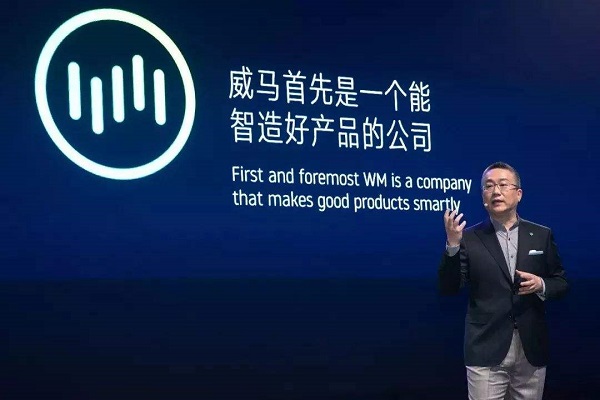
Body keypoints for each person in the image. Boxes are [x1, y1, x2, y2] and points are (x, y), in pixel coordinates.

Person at [438, 161, 568, 400]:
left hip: (531, 348)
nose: (496, 191)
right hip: (486, 348)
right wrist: (453, 246)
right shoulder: (469, 238)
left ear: (518, 194)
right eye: (488, 186)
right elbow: (449, 287)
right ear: (483, 197)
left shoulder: (541, 234)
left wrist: (541, 285)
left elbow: (561, 283)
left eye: (503, 184)